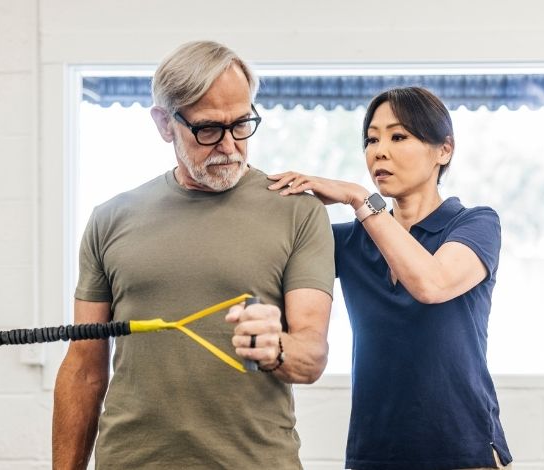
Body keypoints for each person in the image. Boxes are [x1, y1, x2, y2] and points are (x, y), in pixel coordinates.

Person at [52, 40, 335, 469]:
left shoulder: (297, 211)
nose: (229, 145)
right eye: (207, 129)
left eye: (241, 124)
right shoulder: (109, 219)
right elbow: (84, 369)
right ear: (164, 124)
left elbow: (312, 356)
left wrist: (276, 347)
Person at [268, 87, 513, 470]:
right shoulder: (348, 241)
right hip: (374, 454)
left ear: (443, 150)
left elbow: (431, 283)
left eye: (398, 136)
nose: (379, 150)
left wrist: (359, 198)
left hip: (466, 452)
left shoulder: (476, 223)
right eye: (371, 139)